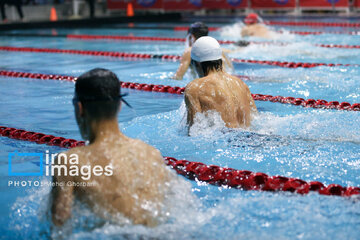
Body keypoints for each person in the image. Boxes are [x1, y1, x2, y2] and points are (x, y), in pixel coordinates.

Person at [51, 68, 171, 227]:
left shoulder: (69, 162)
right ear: (119, 105)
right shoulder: (151, 154)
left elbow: (58, 225)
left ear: (79, 108)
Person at [185, 36, 257, 131]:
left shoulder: (195, 88)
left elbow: (194, 131)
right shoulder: (240, 83)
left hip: (225, 141)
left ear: (197, 64)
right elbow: (255, 120)